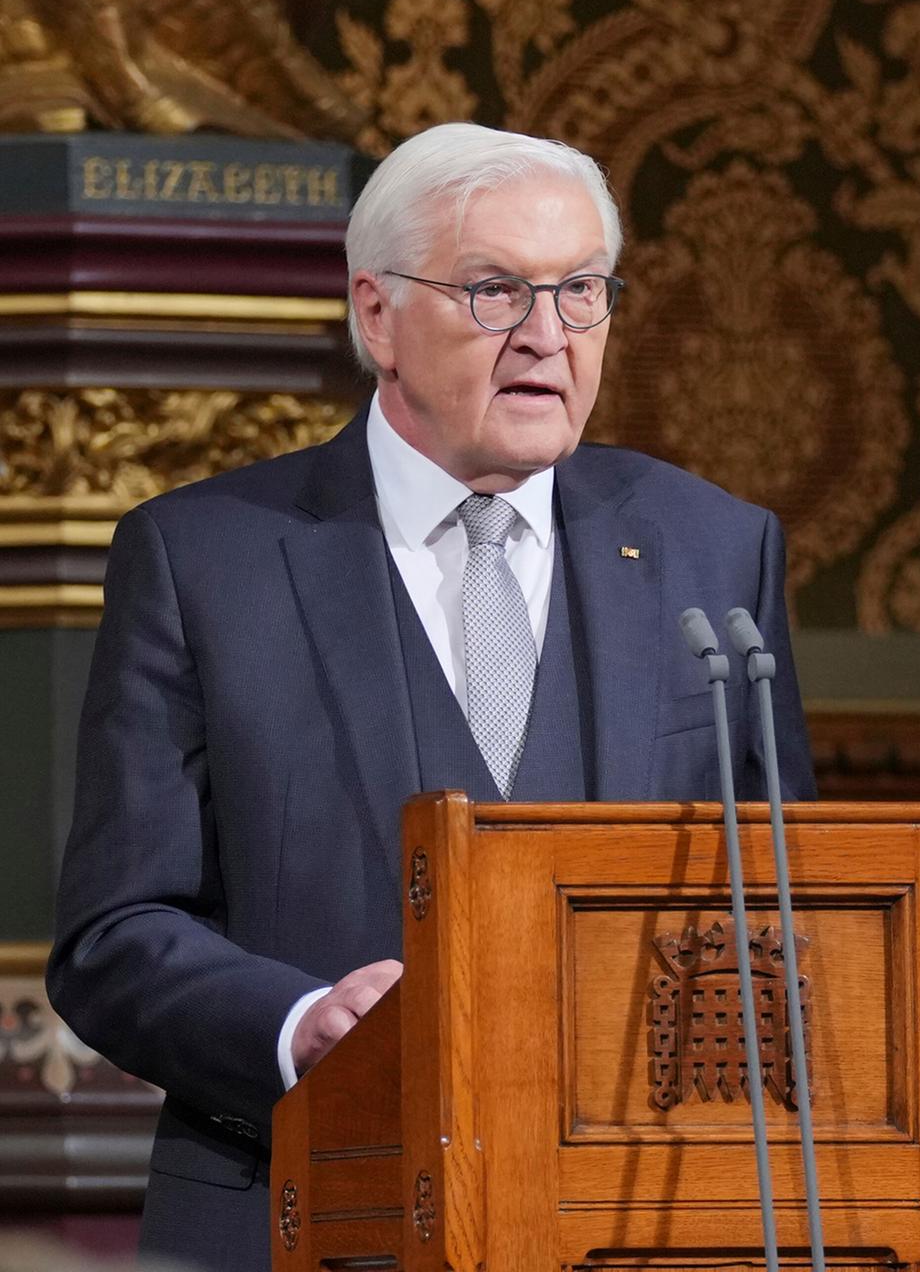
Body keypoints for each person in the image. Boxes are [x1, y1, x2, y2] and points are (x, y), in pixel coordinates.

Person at [46, 123, 815, 1272]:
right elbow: (114, 934)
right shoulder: (206, 559)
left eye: (582, 292)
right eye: (497, 292)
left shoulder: (712, 550)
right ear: (376, 315)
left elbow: (791, 908)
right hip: (295, 1207)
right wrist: (299, 1027)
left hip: (638, 1227)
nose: (548, 338)